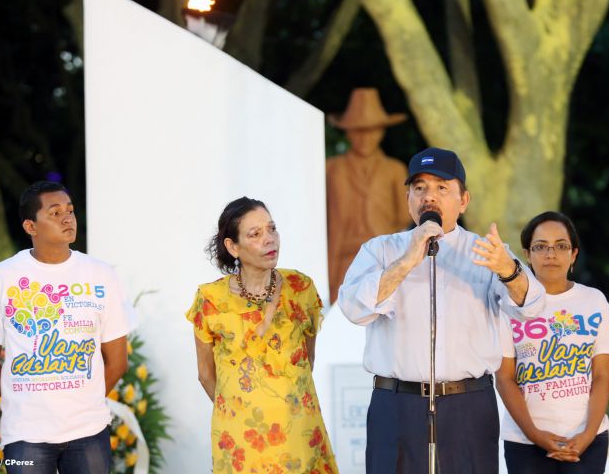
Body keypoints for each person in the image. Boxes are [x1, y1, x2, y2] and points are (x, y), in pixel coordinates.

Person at [338, 146, 546, 473]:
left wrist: (508, 271)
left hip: (468, 405)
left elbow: (533, 306)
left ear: (463, 200)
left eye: (441, 188)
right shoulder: (381, 250)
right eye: (419, 188)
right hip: (396, 404)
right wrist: (406, 261)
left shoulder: (487, 252)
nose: (428, 197)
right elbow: (352, 308)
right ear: (408, 197)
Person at [0, 181, 136, 473]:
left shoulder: (101, 275)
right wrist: (21, 397)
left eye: (70, 211)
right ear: (30, 226)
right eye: (55, 212)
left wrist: (84, 400)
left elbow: (118, 361)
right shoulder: (3, 277)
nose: (67, 218)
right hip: (26, 434)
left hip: (88, 430)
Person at [187, 196, 338, 473]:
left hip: (298, 434)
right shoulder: (210, 299)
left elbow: (307, 359)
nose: (270, 239)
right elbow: (206, 374)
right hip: (242, 441)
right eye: (255, 234)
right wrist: (240, 407)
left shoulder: (300, 288)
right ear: (233, 246)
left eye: (272, 229)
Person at [496, 211, 609, 473]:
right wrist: (535, 434)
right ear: (527, 254)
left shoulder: (594, 301)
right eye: (540, 247)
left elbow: (601, 376)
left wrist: (587, 435)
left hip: (587, 440)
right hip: (525, 442)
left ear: (574, 254)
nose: (551, 254)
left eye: (561, 246)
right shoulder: (508, 304)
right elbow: (505, 378)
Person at [326, 87, 411, 303]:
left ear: (382, 131)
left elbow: (404, 215)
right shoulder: (332, 168)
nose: (365, 138)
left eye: (371, 130)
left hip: (383, 261)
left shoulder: (394, 169)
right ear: (347, 132)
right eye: (358, 130)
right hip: (341, 260)